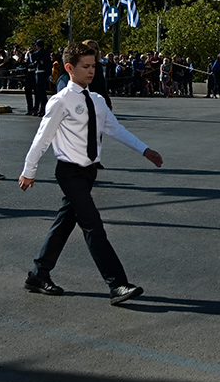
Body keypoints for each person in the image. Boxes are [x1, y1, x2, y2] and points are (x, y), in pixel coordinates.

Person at [19, 43, 164, 305]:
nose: (91, 71)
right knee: (93, 226)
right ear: (69, 68)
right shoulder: (61, 101)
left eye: (94, 66)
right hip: (69, 172)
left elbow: (116, 129)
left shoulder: (96, 100)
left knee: (64, 223)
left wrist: (145, 150)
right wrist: (29, 170)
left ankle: (38, 274)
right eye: (85, 66)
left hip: (88, 173)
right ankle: (117, 284)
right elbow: (42, 138)